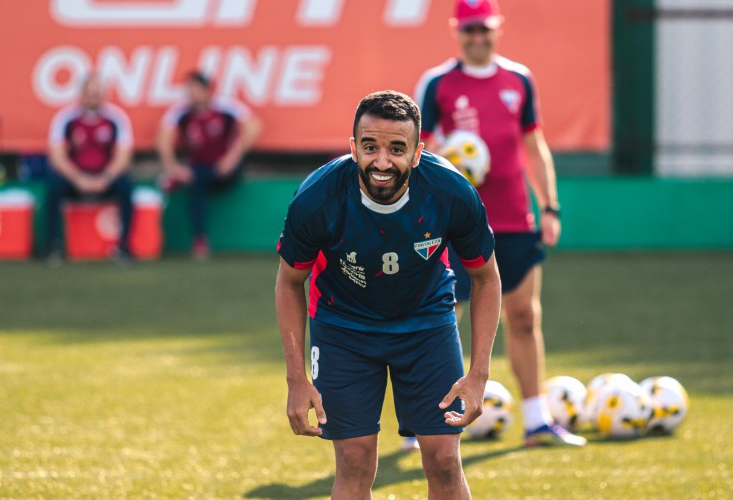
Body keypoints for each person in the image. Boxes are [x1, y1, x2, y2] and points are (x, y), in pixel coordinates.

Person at [276, 90, 502, 499]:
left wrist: (479, 374)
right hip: (342, 328)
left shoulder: (451, 192)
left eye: (397, 149)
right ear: (353, 148)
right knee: (355, 461)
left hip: (427, 326)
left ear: (417, 153)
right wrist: (296, 378)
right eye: (370, 147)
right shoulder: (317, 198)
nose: (382, 161)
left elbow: (486, 278)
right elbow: (290, 282)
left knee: (444, 461)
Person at [410, 0, 587, 449]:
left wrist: (550, 206)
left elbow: (534, 145)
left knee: (525, 317)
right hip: (454, 224)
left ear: (497, 28)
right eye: (469, 29)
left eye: (484, 28)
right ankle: (424, 423)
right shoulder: (438, 83)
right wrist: (453, 155)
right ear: (457, 31)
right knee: (442, 321)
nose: (477, 37)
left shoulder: (518, 80)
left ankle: (536, 421)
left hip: (513, 219)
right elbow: (417, 150)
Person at [157, 71, 262, 259]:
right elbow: (164, 138)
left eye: (195, 89)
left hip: (225, 169)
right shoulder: (181, 113)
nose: (191, 94)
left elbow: (253, 126)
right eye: (189, 90)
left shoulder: (225, 108)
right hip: (198, 170)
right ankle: (200, 240)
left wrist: (232, 158)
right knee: (196, 182)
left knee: (195, 180)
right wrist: (173, 167)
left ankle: (177, 183)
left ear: (207, 90)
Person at [46, 73, 135, 265]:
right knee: (54, 187)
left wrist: (106, 177)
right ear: (82, 94)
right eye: (90, 94)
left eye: (98, 94)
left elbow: (123, 157)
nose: (94, 98)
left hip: (105, 177)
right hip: (75, 178)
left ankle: (124, 247)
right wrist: (78, 179)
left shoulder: (116, 118)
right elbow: (58, 157)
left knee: (126, 187)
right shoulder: (66, 119)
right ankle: (54, 247)